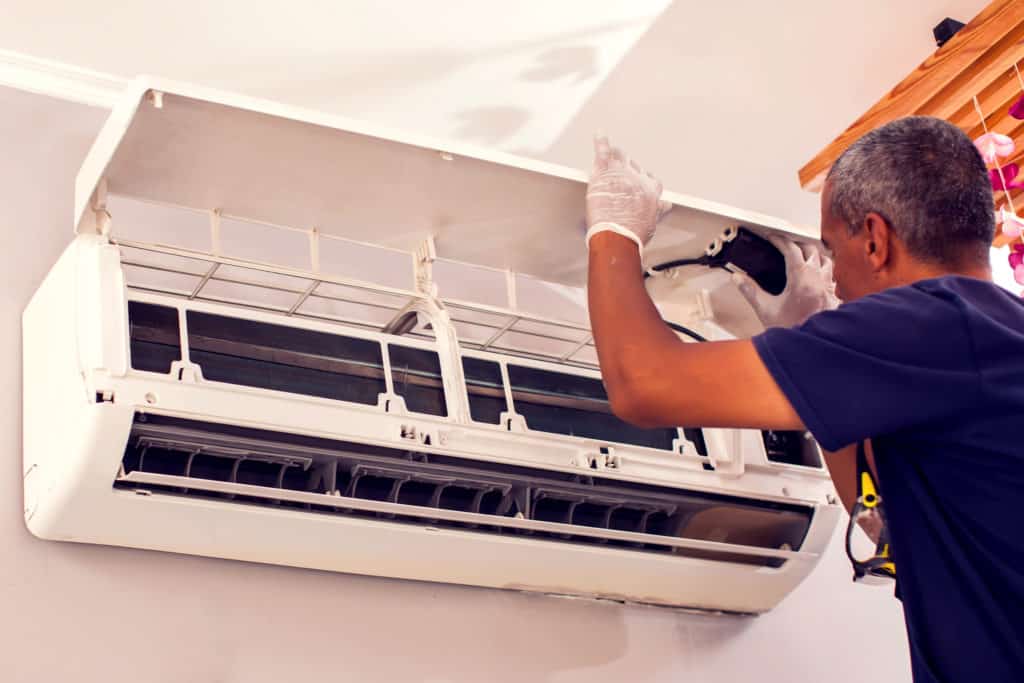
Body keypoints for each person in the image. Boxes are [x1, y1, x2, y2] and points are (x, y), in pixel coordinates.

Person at [583, 116, 1023, 683]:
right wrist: (819, 368)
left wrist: (615, 231)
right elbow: (880, 521)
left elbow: (643, 385)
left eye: (834, 251)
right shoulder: (991, 336)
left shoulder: (933, 326)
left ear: (875, 238)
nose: (834, 279)